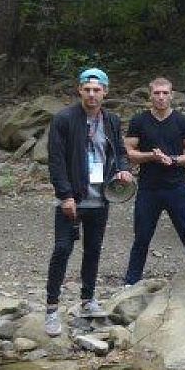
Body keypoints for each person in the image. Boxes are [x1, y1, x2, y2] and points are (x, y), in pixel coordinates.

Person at [44, 68, 135, 336]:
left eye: (97, 90)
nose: (92, 94)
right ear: (79, 91)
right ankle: (51, 309)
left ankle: (88, 299)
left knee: (93, 249)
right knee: (62, 250)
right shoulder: (63, 119)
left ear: (105, 92)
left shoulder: (112, 120)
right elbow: (56, 160)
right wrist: (65, 195)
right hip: (72, 197)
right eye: (88, 89)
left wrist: (123, 168)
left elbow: (118, 150)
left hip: (101, 196)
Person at [123, 77, 185, 285]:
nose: (161, 97)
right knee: (142, 238)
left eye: (165, 93)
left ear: (171, 95)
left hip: (177, 188)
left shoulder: (182, 121)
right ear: (150, 95)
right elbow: (129, 153)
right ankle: (130, 283)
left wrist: (173, 159)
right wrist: (151, 156)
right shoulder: (139, 121)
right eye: (157, 93)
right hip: (149, 188)